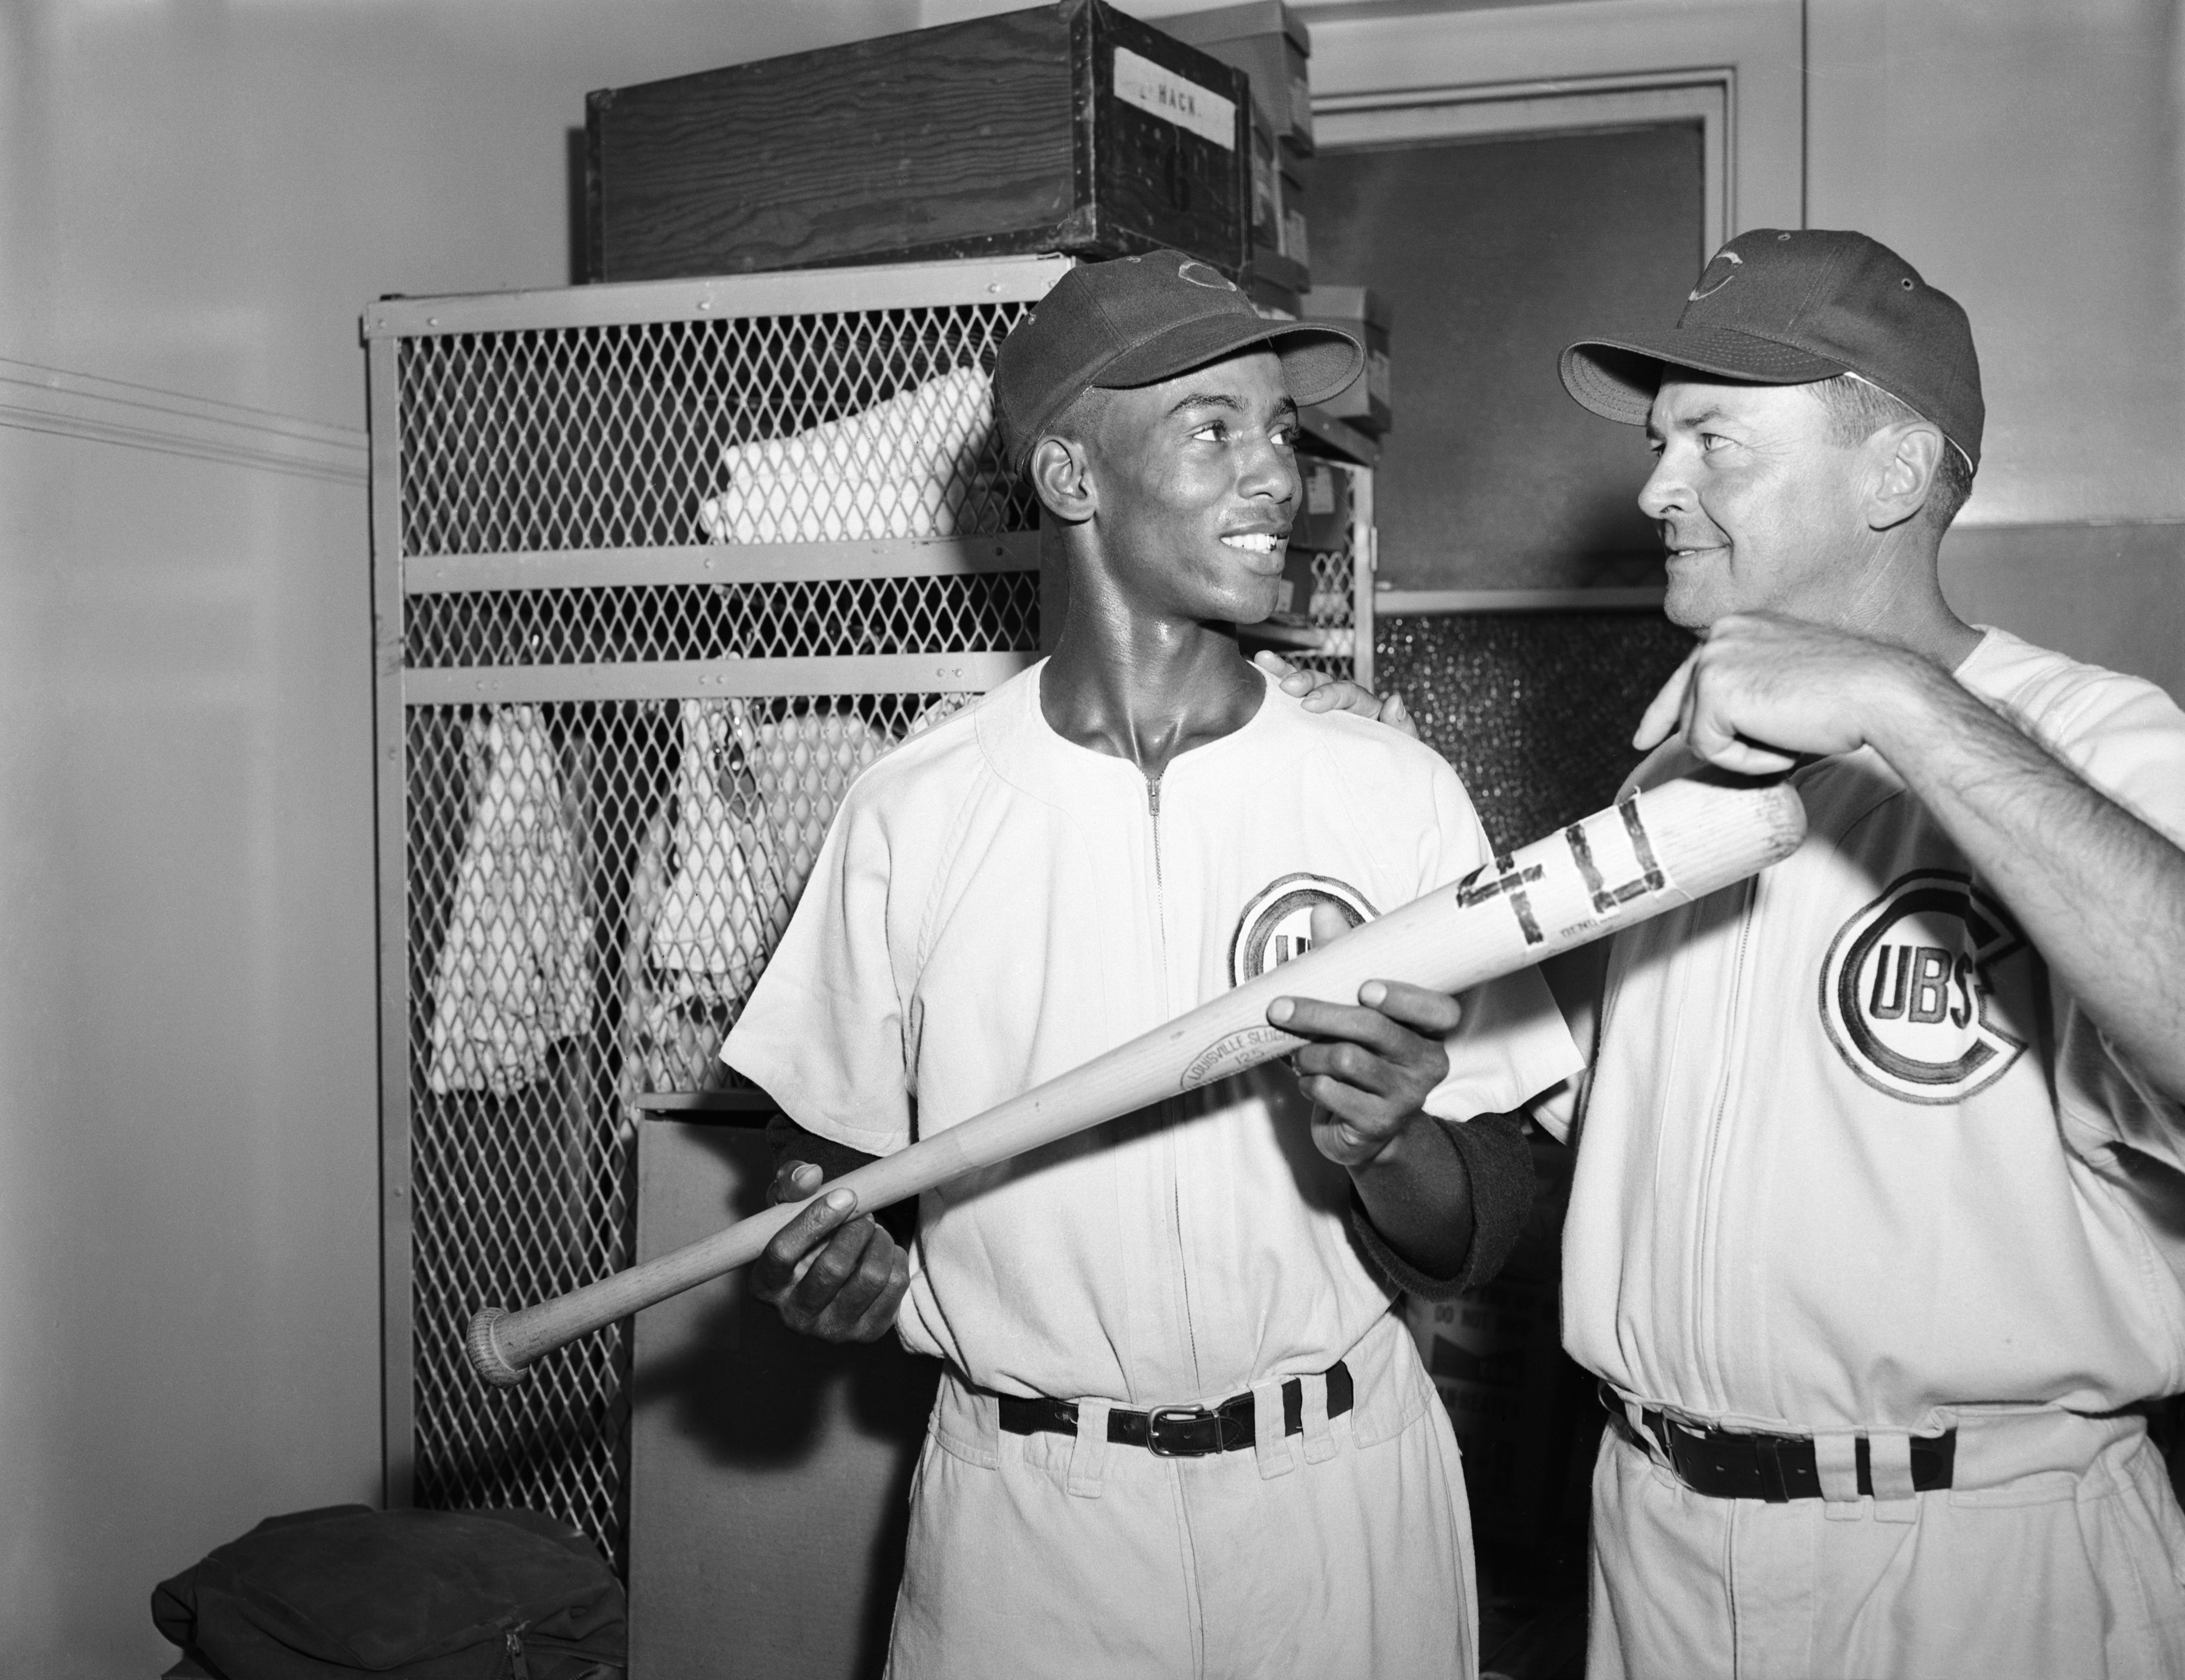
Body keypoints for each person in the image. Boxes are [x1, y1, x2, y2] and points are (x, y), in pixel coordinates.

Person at [1281, 227, 2185, 1678]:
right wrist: (1389, 1138)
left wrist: (1904, 707)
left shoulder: (2098, 747)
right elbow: (1508, 1190)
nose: (1655, 488)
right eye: (1659, 441)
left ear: (1892, 473)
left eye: (1714, 440)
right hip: (1658, 1547)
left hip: (1983, 1566)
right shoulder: (1665, 790)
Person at [719, 251, 1581, 1680]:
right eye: (1214, 428)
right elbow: (825, 1154)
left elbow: (1485, 1222)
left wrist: (1388, 1146)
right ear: (1071, 477)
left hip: (1334, 1499)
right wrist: (827, 1247)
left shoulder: (1387, 789)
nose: (1278, 477)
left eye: (1283, 433)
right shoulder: (914, 808)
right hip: (1030, 1530)